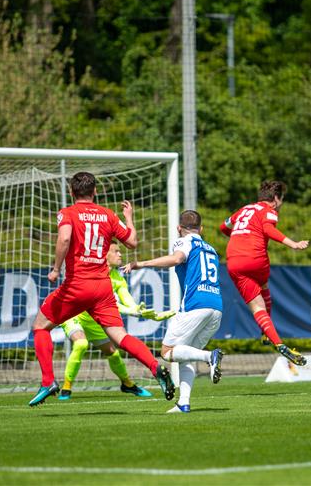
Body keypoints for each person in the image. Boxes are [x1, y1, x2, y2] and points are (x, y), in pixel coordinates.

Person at [28, 172, 174, 407]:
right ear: (95, 191)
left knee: (40, 327)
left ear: (71, 192)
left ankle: (48, 382)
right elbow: (132, 242)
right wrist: (129, 218)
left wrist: (56, 268)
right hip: (103, 287)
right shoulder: (107, 215)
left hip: (77, 285)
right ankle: (156, 368)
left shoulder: (68, 213)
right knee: (120, 337)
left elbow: (64, 239)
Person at [125, 210, 224, 414]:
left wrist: (141, 264)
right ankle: (183, 403)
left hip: (195, 305)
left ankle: (209, 357)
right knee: (184, 355)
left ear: (179, 228)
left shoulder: (184, 241)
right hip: (216, 307)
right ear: (201, 229)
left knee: (168, 352)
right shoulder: (211, 249)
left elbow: (177, 259)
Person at [58, 243, 176, 401]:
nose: (120, 254)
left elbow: (128, 301)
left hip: (95, 320)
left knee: (112, 352)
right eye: (116, 251)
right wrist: (130, 310)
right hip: (75, 315)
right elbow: (105, 301)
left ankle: (127, 384)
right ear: (103, 254)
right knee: (81, 344)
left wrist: (139, 311)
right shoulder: (89, 272)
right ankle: (66, 387)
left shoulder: (117, 278)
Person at [220, 181, 309, 366]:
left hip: (234, 261)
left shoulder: (243, 210)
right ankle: (266, 334)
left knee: (256, 307)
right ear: (275, 199)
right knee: (264, 288)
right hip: (255, 259)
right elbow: (268, 229)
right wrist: (293, 244)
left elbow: (223, 227)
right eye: (281, 199)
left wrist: (240, 234)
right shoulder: (269, 210)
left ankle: (276, 341)